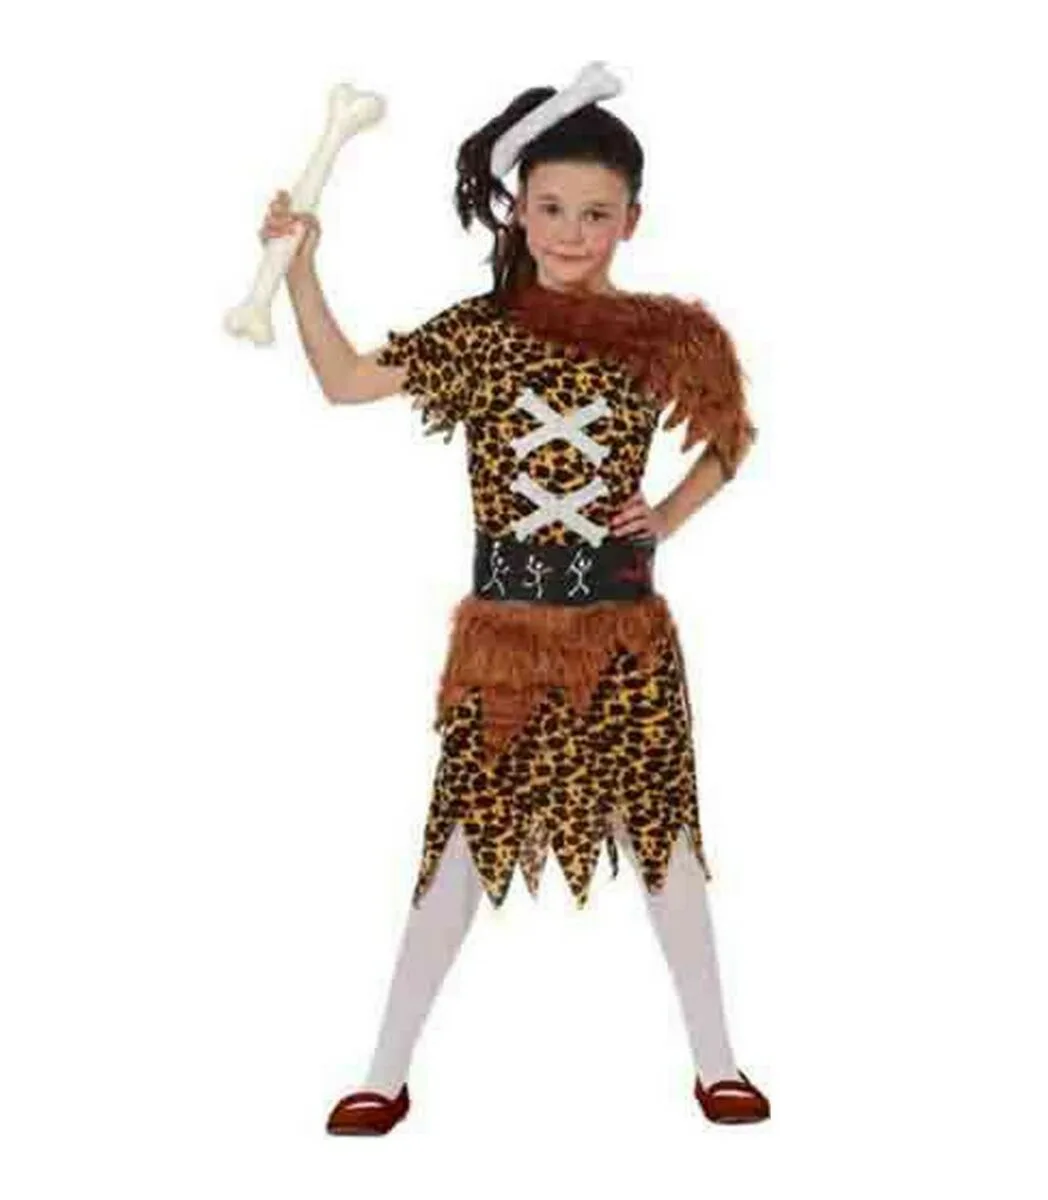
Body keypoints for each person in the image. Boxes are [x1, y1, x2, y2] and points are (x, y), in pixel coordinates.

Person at [260, 64, 771, 1134]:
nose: (571, 233)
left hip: (624, 634)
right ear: (518, 211)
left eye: (595, 213)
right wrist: (302, 270)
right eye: (550, 208)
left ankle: (718, 1061)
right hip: (504, 637)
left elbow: (730, 438)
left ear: (631, 219)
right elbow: (346, 381)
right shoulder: (481, 333)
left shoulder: (665, 335)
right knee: (457, 847)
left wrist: (664, 519)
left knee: (667, 842)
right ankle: (384, 1072)